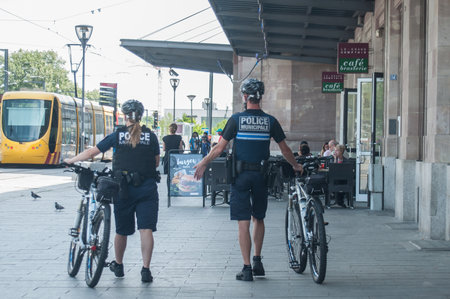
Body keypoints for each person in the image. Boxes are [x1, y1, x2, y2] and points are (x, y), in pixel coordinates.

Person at [193, 78, 302, 282]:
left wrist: (204, 162)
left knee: (243, 222)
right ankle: (258, 261)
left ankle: (246, 269)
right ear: (261, 97)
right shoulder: (270, 121)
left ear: (244, 97)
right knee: (258, 218)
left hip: (241, 176)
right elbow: (285, 149)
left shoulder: (236, 120)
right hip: (261, 176)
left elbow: (219, 148)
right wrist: (296, 165)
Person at [64, 99, 160, 283]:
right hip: (147, 188)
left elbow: (93, 151)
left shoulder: (117, 135)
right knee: (146, 229)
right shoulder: (151, 136)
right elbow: (156, 162)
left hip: (123, 189)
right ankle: (145, 270)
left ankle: (119, 265)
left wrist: (71, 160)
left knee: (121, 231)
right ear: (140, 116)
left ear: (125, 116)